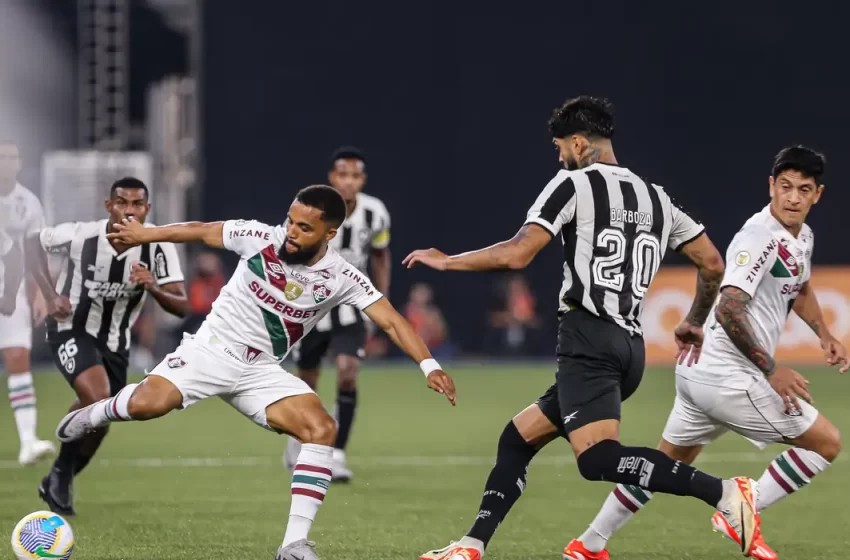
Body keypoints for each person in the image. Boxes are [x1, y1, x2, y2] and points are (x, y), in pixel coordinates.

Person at [407, 96, 762, 560]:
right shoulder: (657, 197)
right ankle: (471, 546)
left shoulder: (573, 184)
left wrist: (448, 262)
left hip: (588, 338)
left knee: (596, 459)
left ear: (578, 142)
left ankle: (724, 493)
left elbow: (518, 253)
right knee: (517, 438)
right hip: (629, 348)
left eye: (560, 147)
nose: (559, 157)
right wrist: (694, 321)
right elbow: (712, 263)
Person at [55, 185, 456, 560]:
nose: (291, 233)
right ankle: (94, 413)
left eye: (304, 227)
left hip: (261, 371)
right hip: (210, 351)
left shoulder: (342, 276)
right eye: (290, 221)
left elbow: (391, 321)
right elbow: (200, 231)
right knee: (147, 406)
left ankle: (294, 544)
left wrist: (429, 365)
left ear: (329, 233)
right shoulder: (259, 236)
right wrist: (147, 234)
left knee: (321, 429)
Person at [561, 145, 846, 560]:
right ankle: (741, 507)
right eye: (785, 187)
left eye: (804, 190)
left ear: (817, 194)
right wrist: (771, 371)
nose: (793, 197)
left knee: (662, 465)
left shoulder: (802, 237)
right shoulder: (758, 237)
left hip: (699, 374)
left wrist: (824, 333)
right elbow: (730, 306)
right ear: (771, 186)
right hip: (728, 376)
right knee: (826, 443)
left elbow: (798, 287)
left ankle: (588, 544)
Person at [26, 177, 189, 515]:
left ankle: (59, 475)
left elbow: (181, 305)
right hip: (69, 328)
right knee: (97, 396)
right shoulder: (81, 235)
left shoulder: (157, 245)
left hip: (116, 341)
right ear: (109, 206)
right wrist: (49, 293)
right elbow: (31, 243)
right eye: (122, 203)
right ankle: (60, 476)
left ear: (147, 209)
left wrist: (153, 287)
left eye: (136, 205)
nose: (129, 211)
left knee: (103, 419)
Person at [286, 147, 392, 482]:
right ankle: (299, 441)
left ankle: (337, 454)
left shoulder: (376, 214)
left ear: (363, 179)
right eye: (342, 174)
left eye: (355, 175)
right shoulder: (312, 208)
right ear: (332, 177)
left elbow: (380, 255)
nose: (348, 181)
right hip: (310, 307)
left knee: (348, 372)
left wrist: (379, 300)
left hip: (350, 307)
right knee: (307, 381)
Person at [0, 141, 57, 466]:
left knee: (18, 359)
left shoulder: (28, 203)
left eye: (11, 156)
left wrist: (39, 293)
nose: (6, 162)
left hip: (14, 292)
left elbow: (33, 253)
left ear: (19, 163)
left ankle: (27, 441)